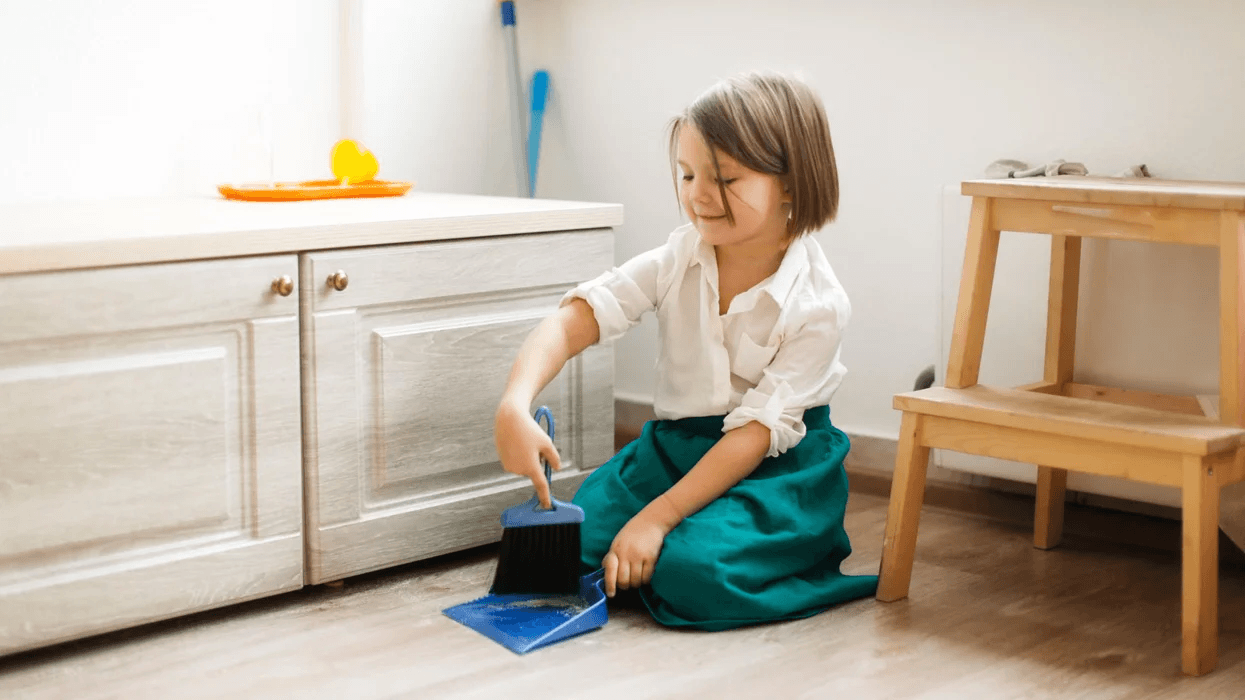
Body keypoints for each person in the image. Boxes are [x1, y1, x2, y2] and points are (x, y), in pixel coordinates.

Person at [493, 70, 878, 631]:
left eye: (724, 177)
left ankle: (798, 559)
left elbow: (753, 437)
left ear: (791, 183)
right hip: (676, 450)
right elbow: (575, 320)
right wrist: (515, 403)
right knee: (573, 545)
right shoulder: (678, 259)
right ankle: (669, 548)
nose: (698, 194)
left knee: (691, 574)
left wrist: (657, 518)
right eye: (688, 173)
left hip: (774, 467)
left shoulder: (818, 304)